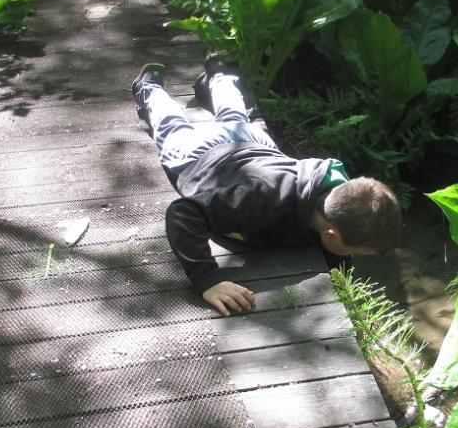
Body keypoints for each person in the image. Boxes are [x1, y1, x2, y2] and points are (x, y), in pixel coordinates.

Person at [132, 56, 402, 316]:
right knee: (172, 126)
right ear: (330, 235)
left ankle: (219, 74)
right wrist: (207, 279)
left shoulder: (336, 195)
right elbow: (183, 213)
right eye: (354, 250)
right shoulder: (260, 201)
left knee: (234, 116)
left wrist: (339, 272)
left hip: (252, 144)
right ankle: (149, 87)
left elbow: (338, 249)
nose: (353, 255)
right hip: (200, 157)